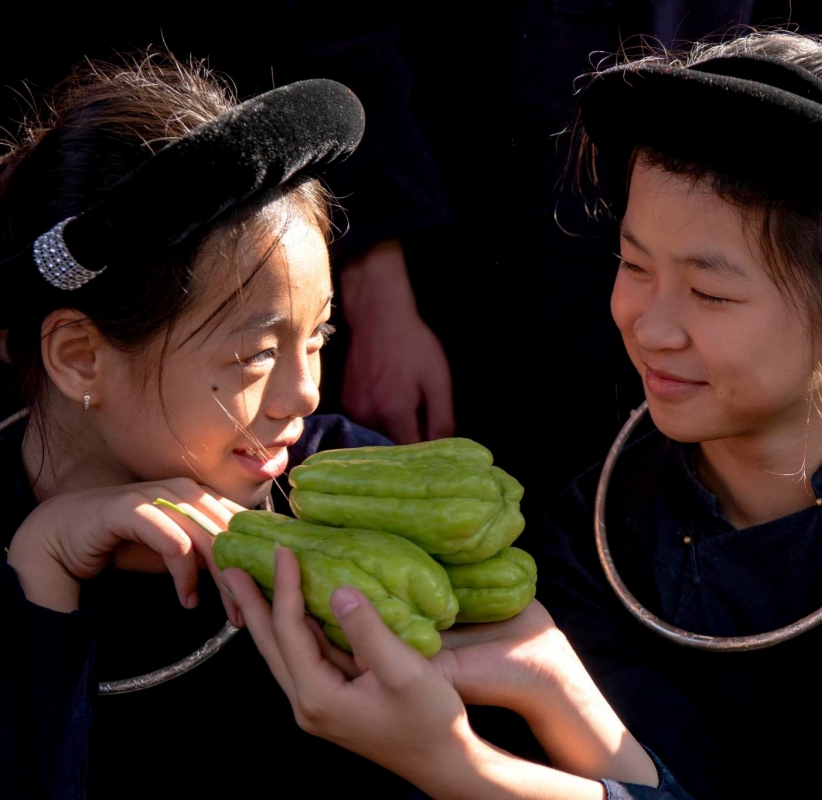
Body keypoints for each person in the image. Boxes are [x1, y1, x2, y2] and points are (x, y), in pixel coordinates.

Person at [225, 31, 822, 800]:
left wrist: (467, 767)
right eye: (634, 266)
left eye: (711, 292)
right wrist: (550, 687)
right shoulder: (596, 533)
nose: (650, 325)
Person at [0, 53, 635, 798]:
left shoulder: (363, 498)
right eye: (255, 355)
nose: (303, 396)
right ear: (80, 358)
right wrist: (41, 570)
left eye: (319, 337)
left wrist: (511, 717)